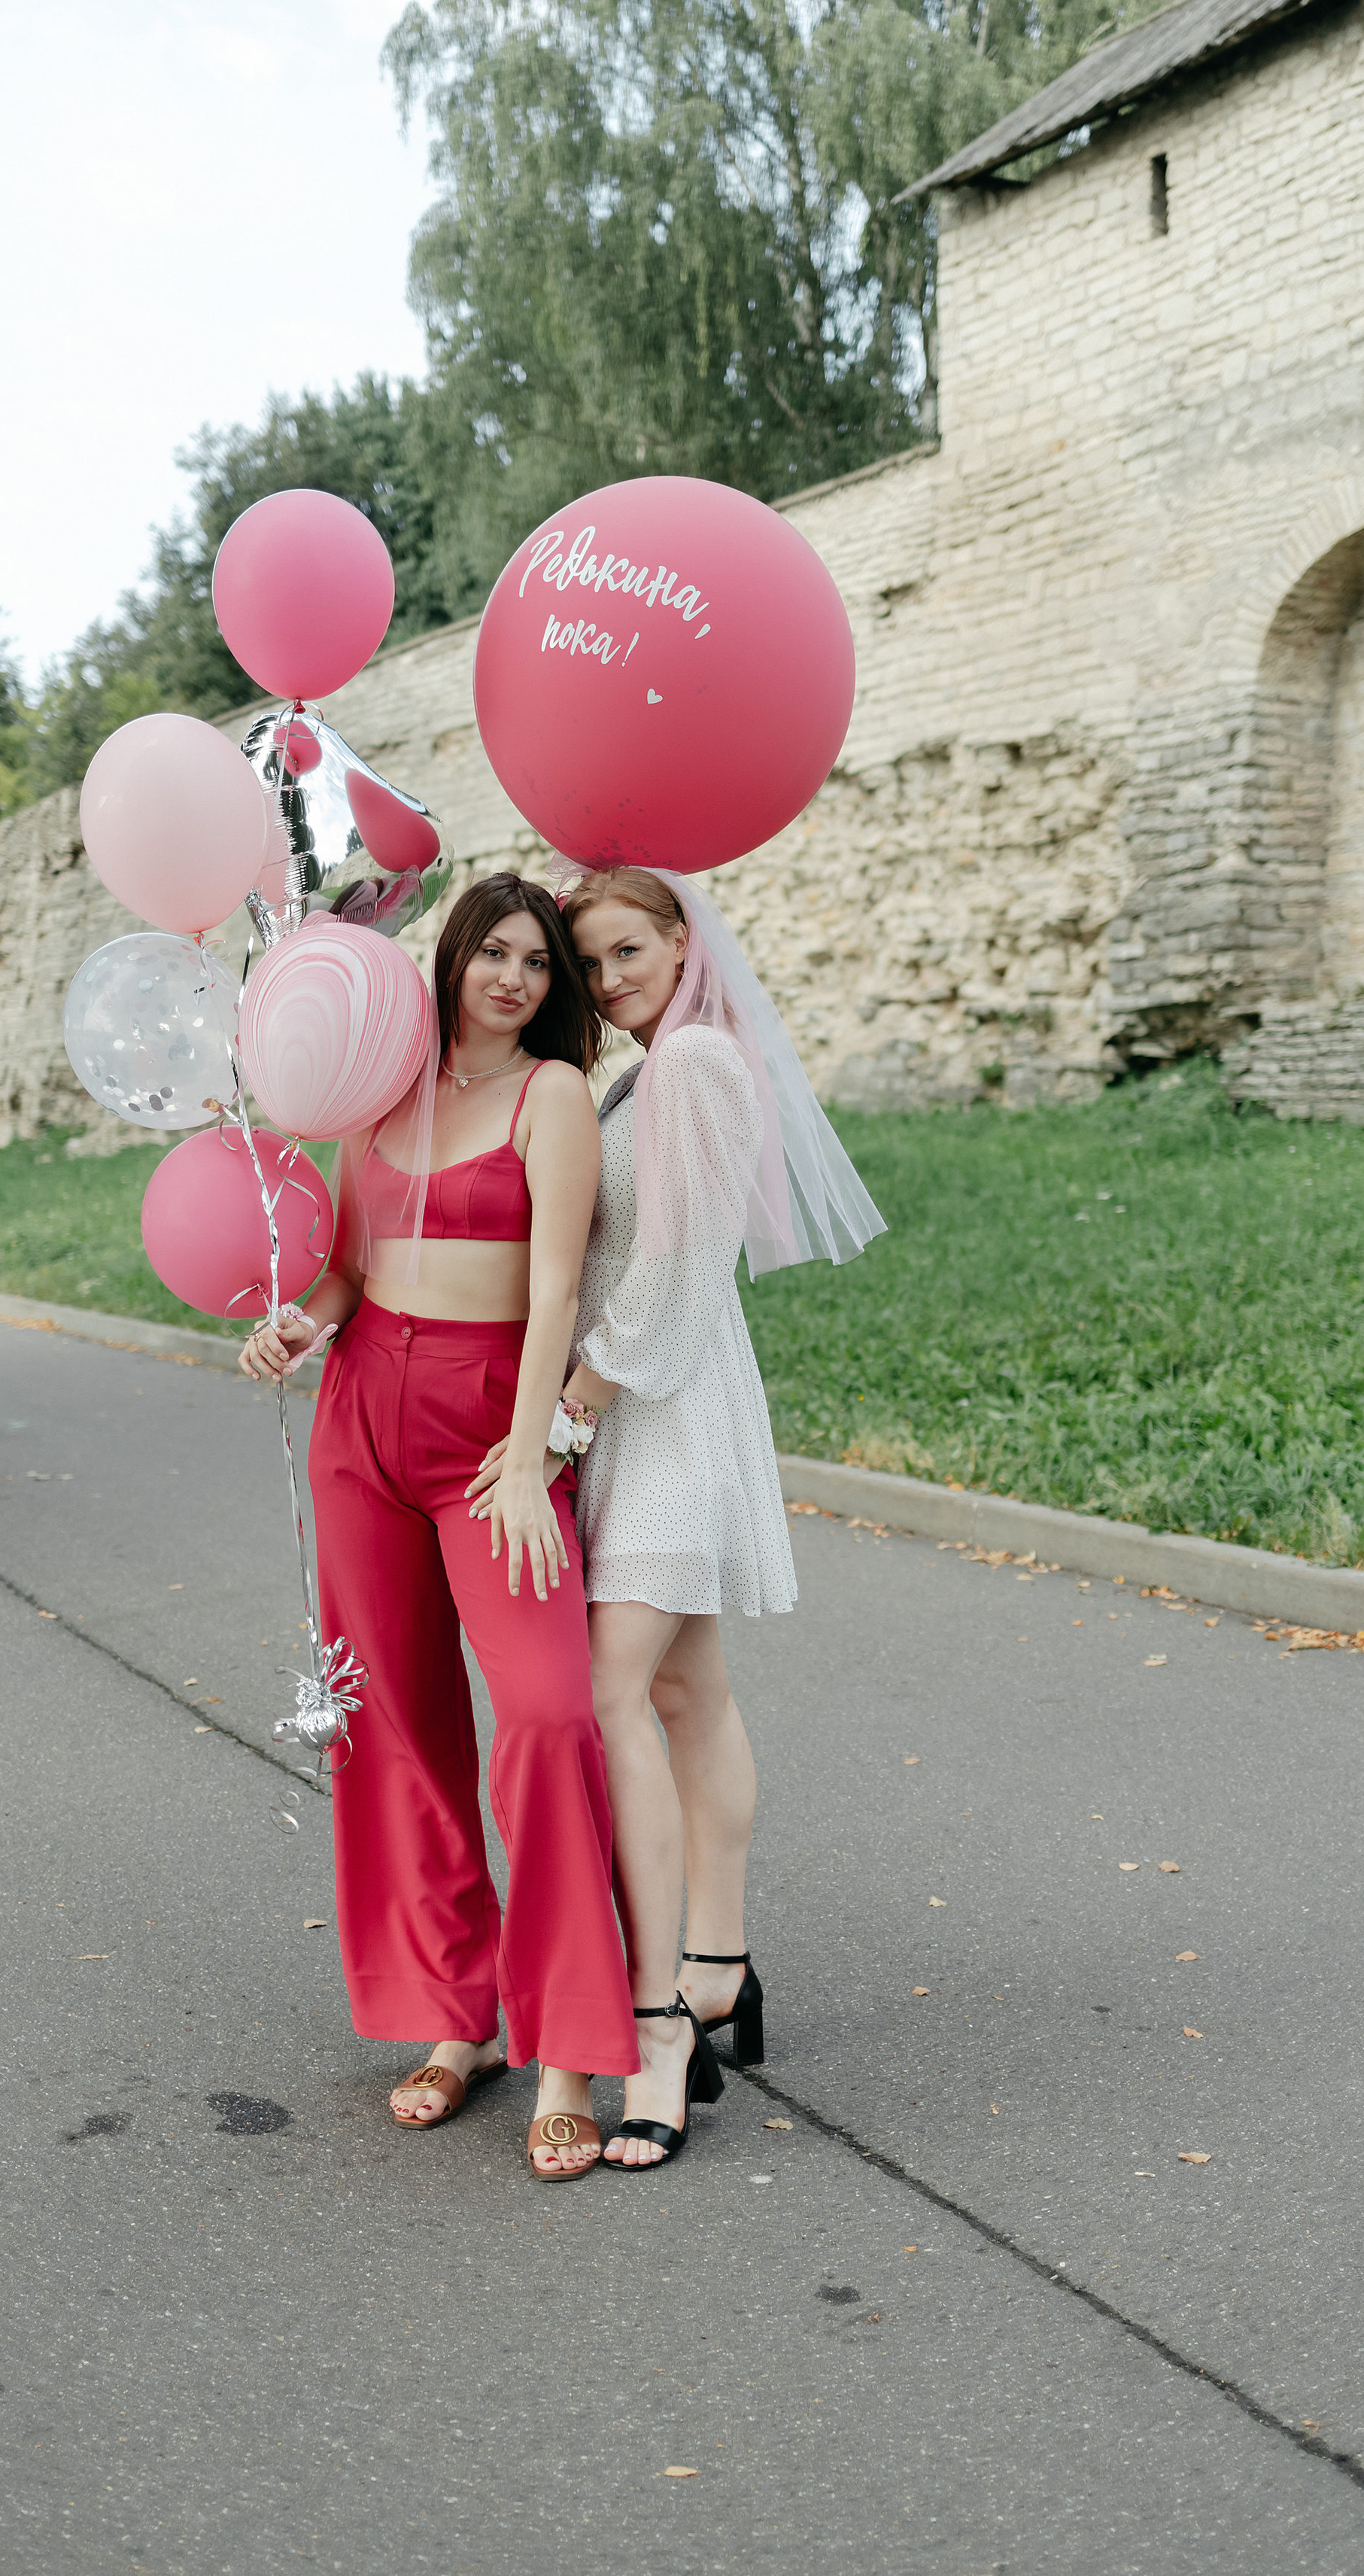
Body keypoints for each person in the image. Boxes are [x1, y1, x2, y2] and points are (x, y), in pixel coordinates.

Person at [472, 865, 884, 2170]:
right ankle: (720, 1964)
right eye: (588, 962)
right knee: (690, 1698)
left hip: (663, 1414)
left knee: (610, 1696)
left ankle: (656, 2028)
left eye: (627, 949)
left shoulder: (697, 1064)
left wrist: (575, 1408)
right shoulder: (649, 1069)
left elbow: (685, 1264)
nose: (608, 979)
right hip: (644, 1408)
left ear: (683, 942)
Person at [239, 874, 634, 2182]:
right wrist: (304, 1321)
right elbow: (352, 1265)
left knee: (545, 1713)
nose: (515, 979)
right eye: (495, 955)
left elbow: (559, 1287)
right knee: (399, 1725)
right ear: (452, 957)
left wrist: (530, 1460)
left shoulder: (552, 1095)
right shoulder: (385, 1086)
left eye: (538, 964)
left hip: (488, 1434)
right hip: (359, 1423)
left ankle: (569, 2052)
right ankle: (451, 2021)